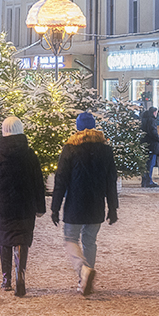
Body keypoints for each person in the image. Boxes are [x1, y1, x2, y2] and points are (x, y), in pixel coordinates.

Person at [50, 111, 119, 296]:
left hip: (75, 203)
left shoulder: (70, 148)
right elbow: (111, 181)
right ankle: (85, 279)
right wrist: (113, 208)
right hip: (96, 203)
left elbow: (61, 179)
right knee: (90, 241)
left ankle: (83, 270)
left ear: (77, 128)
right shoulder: (106, 150)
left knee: (70, 238)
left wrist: (55, 207)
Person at [0, 116, 45, 296]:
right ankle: (21, 273)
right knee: (22, 239)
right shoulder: (30, 155)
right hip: (26, 206)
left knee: (4, 240)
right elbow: (38, 183)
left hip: (3, 207)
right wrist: (40, 206)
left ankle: (6, 279)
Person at [139, 105, 159, 188]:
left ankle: (144, 180)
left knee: (145, 163)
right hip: (152, 145)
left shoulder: (143, 120)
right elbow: (153, 132)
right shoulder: (152, 120)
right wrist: (158, 138)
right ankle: (149, 181)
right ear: (154, 112)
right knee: (150, 163)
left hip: (144, 144)